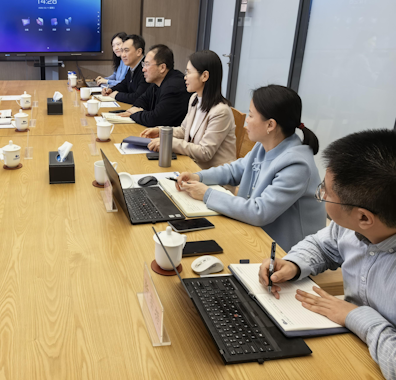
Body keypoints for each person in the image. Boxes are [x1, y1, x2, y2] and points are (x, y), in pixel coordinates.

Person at [257, 129, 396, 380]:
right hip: (348, 339)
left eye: (327, 192)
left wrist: (356, 316)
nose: (320, 194)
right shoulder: (351, 225)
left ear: (364, 218)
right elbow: (323, 245)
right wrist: (293, 264)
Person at [176, 85, 326, 251]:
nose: (247, 120)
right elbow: (234, 170)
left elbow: (260, 212)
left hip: (287, 253)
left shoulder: (297, 165)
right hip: (256, 232)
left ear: (270, 125)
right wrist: (199, 177)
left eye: (251, 115)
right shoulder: (264, 145)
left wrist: (207, 194)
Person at [140, 50, 236, 170]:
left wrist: (169, 142)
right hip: (191, 166)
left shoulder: (221, 111)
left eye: (189, 72)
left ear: (204, 76)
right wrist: (161, 132)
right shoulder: (194, 99)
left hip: (214, 174)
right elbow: (184, 130)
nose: (185, 77)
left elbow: (205, 152)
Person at [118, 44, 190, 127]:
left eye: (147, 64)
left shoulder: (173, 87)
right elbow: (141, 100)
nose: (143, 69)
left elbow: (154, 119)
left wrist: (135, 113)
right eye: (144, 64)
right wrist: (134, 110)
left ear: (162, 68)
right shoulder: (156, 83)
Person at [101, 34, 150, 104]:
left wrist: (116, 95)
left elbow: (138, 97)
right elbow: (124, 84)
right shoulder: (132, 67)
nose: (123, 55)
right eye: (122, 51)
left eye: (126, 51)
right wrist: (111, 90)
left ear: (139, 52)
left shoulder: (146, 69)